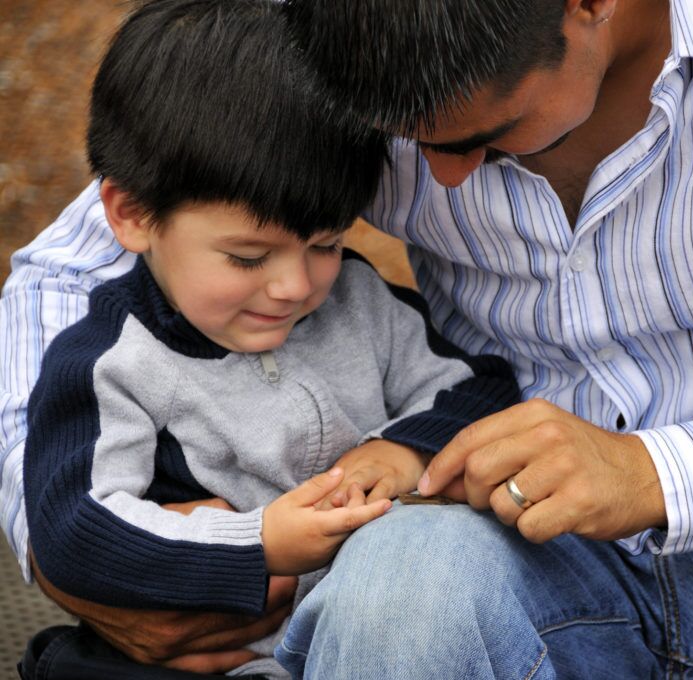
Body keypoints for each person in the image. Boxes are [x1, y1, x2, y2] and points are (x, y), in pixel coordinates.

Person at [3, 0, 693, 677]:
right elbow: (70, 271)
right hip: (494, 542)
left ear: (590, 7)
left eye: (478, 140)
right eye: (414, 147)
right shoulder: (322, 25)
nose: (441, 184)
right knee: (400, 602)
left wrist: (657, 470)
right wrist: (61, 550)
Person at [12, 1, 519, 678]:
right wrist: (260, 542)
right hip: (193, 655)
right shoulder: (111, 362)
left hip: (350, 639)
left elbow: (479, 389)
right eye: (248, 258)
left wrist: (399, 450)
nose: (292, 286)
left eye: (326, 243)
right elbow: (75, 530)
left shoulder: (358, 306)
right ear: (132, 215)